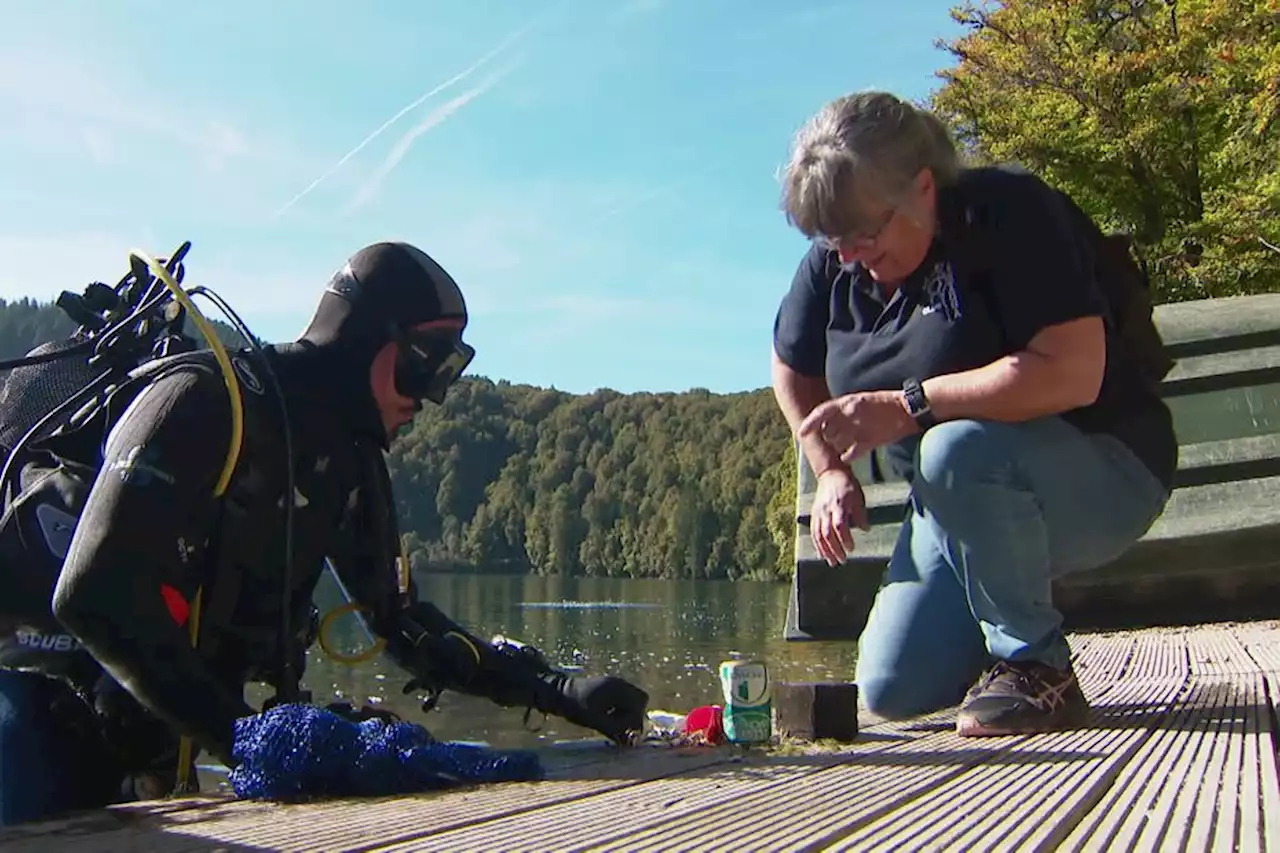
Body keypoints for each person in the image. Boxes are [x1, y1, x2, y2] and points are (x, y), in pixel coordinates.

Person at [0, 241, 649, 827]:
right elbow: (93, 593)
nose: (430, 396)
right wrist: (249, 738)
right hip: (43, 715)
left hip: (162, 748)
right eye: (426, 365)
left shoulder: (348, 465)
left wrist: (558, 688)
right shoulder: (202, 399)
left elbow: (404, 624)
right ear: (370, 339)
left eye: (448, 371)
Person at [770, 91, 1176, 737]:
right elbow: (792, 366)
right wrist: (830, 470)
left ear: (923, 188)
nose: (849, 255)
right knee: (894, 688)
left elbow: (1073, 370)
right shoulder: (837, 261)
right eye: (832, 238)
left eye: (865, 232)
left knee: (952, 445)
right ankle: (998, 633)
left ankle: (1039, 667)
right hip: (959, 503)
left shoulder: (1010, 213)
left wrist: (911, 404)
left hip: (1100, 471)